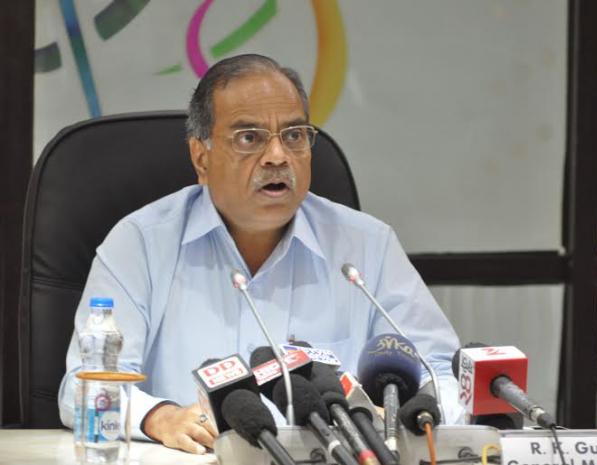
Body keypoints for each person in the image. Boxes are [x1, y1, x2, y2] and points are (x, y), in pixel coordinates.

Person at [58, 54, 462, 455]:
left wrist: (408, 414)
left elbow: (441, 370)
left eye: (294, 136)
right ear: (201, 157)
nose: (277, 156)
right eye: (249, 138)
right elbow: (84, 386)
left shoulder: (366, 246)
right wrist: (158, 417)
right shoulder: (141, 243)